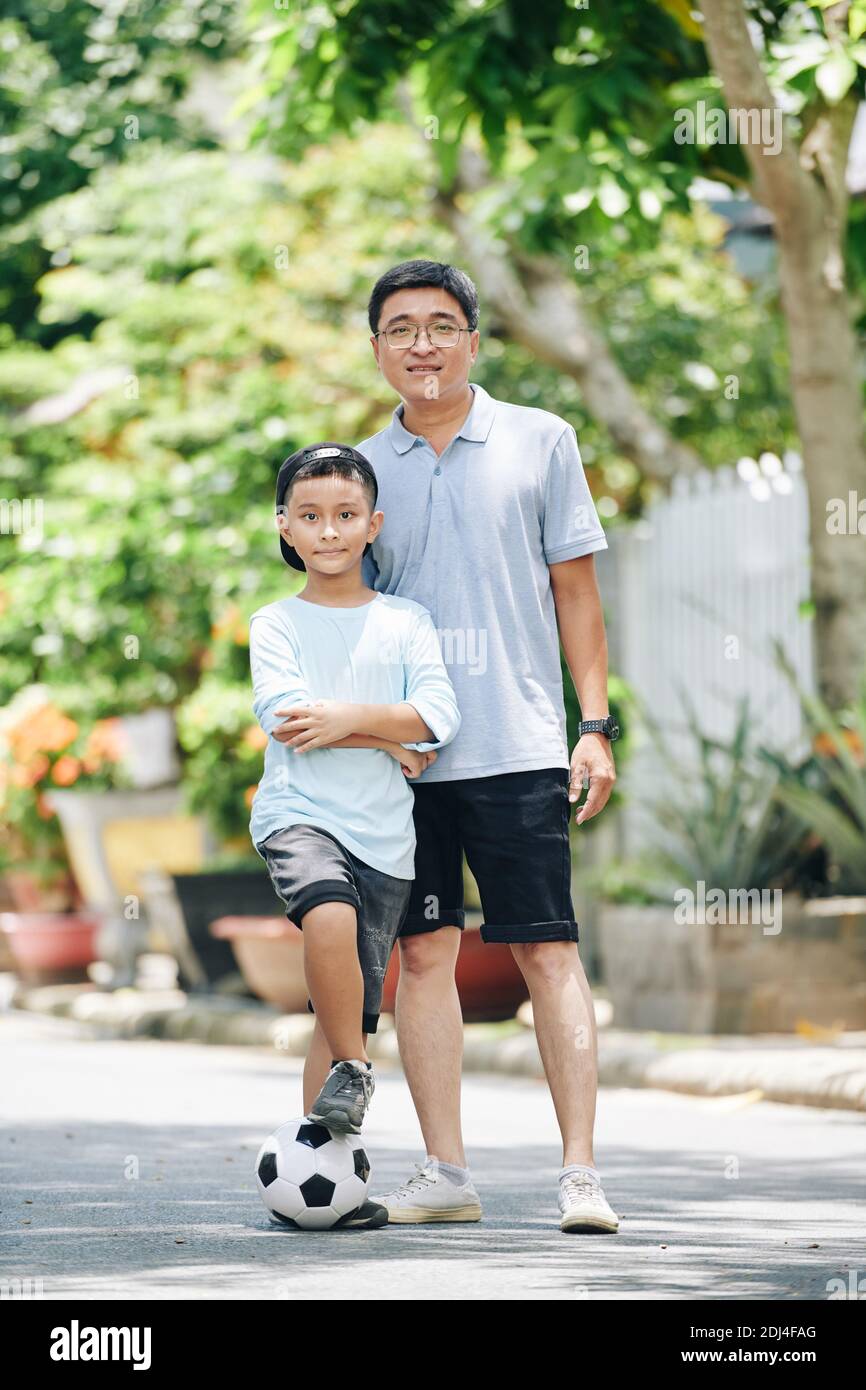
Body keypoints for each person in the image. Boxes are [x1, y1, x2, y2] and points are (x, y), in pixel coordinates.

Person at [352, 259, 621, 1234]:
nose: (419, 344)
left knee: (547, 952)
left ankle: (581, 1175)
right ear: (376, 347)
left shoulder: (542, 440)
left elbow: (576, 593)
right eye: (398, 328)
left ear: (473, 338)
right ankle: (445, 1169)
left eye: (438, 324)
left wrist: (592, 727)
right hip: (407, 757)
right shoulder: (356, 470)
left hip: (517, 743)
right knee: (421, 956)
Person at [248, 442, 461, 1228]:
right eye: (310, 517)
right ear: (286, 528)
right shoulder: (276, 623)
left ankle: (323, 1188)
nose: (329, 531)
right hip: (299, 814)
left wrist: (356, 722)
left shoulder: (406, 621)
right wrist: (385, 735)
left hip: (386, 842)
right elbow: (288, 720)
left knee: (340, 1009)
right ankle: (354, 1066)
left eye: (344, 516)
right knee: (326, 918)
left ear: (372, 525)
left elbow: (440, 716)